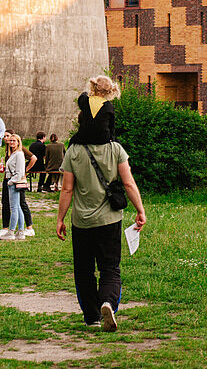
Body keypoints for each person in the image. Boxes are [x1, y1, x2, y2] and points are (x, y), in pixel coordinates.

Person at [56, 75, 147, 331]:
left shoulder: (73, 151)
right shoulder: (115, 149)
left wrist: (61, 219)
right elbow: (129, 184)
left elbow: (67, 188)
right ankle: (108, 301)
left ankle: (92, 317)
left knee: (84, 271)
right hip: (110, 220)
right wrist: (140, 210)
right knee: (110, 267)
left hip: (81, 222)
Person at [0, 132, 36, 238]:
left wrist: (11, 181)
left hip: (14, 183)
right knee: (17, 207)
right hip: (12, 181)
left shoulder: (19, 154)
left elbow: (20, 171)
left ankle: (11, 231)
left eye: (14, 141)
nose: (12, 142)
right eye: (11, 140)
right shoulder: (12, 153)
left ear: (18, 142)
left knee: (14, 207)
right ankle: (21, 231)